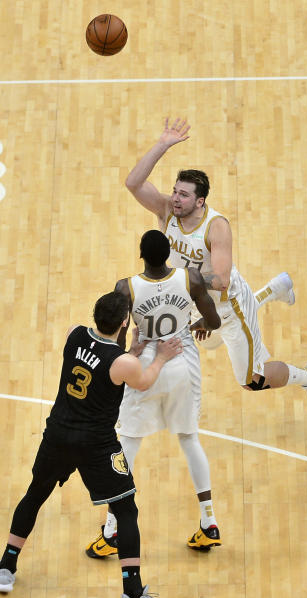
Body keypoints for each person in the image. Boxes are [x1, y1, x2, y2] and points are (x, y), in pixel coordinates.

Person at [0, 291, 182, 598]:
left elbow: (108, 362)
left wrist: (132, 352)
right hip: (96, 445)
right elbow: (142, 379)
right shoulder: (122, 363)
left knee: (35, 494)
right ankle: (133, 595)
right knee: (125, 509)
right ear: (124, 323)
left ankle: (5, 567)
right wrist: (161, 356)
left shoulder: (73, 334)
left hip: (59, 435)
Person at [123, 117, 307, 415]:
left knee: (251, 380)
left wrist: (178, 279)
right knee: (203, 343)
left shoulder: (216, 227)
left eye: (183, 194)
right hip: (195, 300)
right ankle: (274, 289)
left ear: (200, 201)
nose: (175, 198)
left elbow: (220, 280)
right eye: (175, 191)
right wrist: (162, 145)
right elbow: (133, 183)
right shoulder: (167, 210)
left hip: (228, 305)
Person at [86, 229, 224, 555]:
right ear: (168, 256)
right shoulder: (189, 277)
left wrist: (129, 354)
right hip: (182, 360)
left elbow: (114, 342)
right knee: (190, 440)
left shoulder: (127, 288)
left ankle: (111, 532)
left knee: (129, 444)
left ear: (141, 255)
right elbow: (214, 321)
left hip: (147, 362)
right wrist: (199, 326)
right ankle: (209, 522)